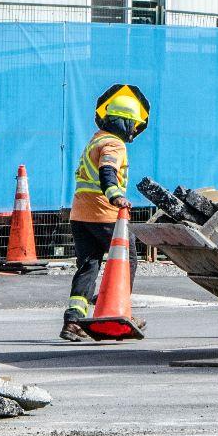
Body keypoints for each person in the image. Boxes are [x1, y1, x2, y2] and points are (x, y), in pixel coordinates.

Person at [61, 84, 150, 341]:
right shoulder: (114, 143)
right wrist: (115, 195)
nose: (134, 130)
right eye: (132, 124)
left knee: (88, 266)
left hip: (80, 215)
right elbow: (107, 170)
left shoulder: (95, 139)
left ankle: (73, 321)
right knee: (127, 258)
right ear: (123, 123)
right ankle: (115, 307)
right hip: (104, 214)